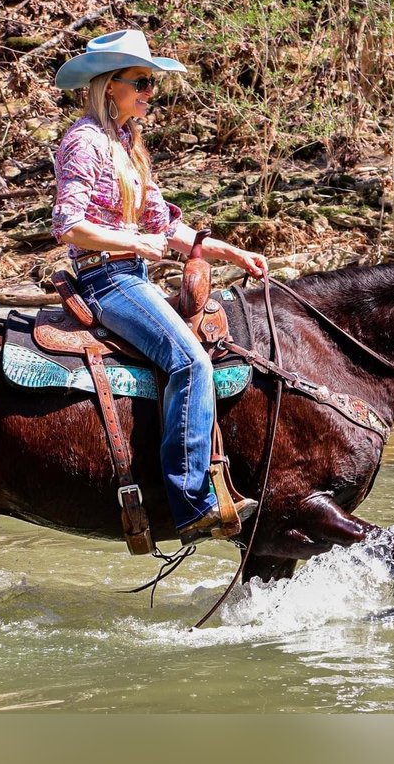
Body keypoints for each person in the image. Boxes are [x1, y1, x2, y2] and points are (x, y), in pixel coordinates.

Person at [51, 29, 267, 545]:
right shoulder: (84, 141)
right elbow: (68, 224)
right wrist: (133, 241)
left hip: (135, 272)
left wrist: (220, 249)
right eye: (142, 82)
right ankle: (191, 500)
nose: (151, 92)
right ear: (110, 87)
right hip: (106, 278)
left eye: (153, 84)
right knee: (189, 361)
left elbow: (165, 227)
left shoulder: (128, 144)